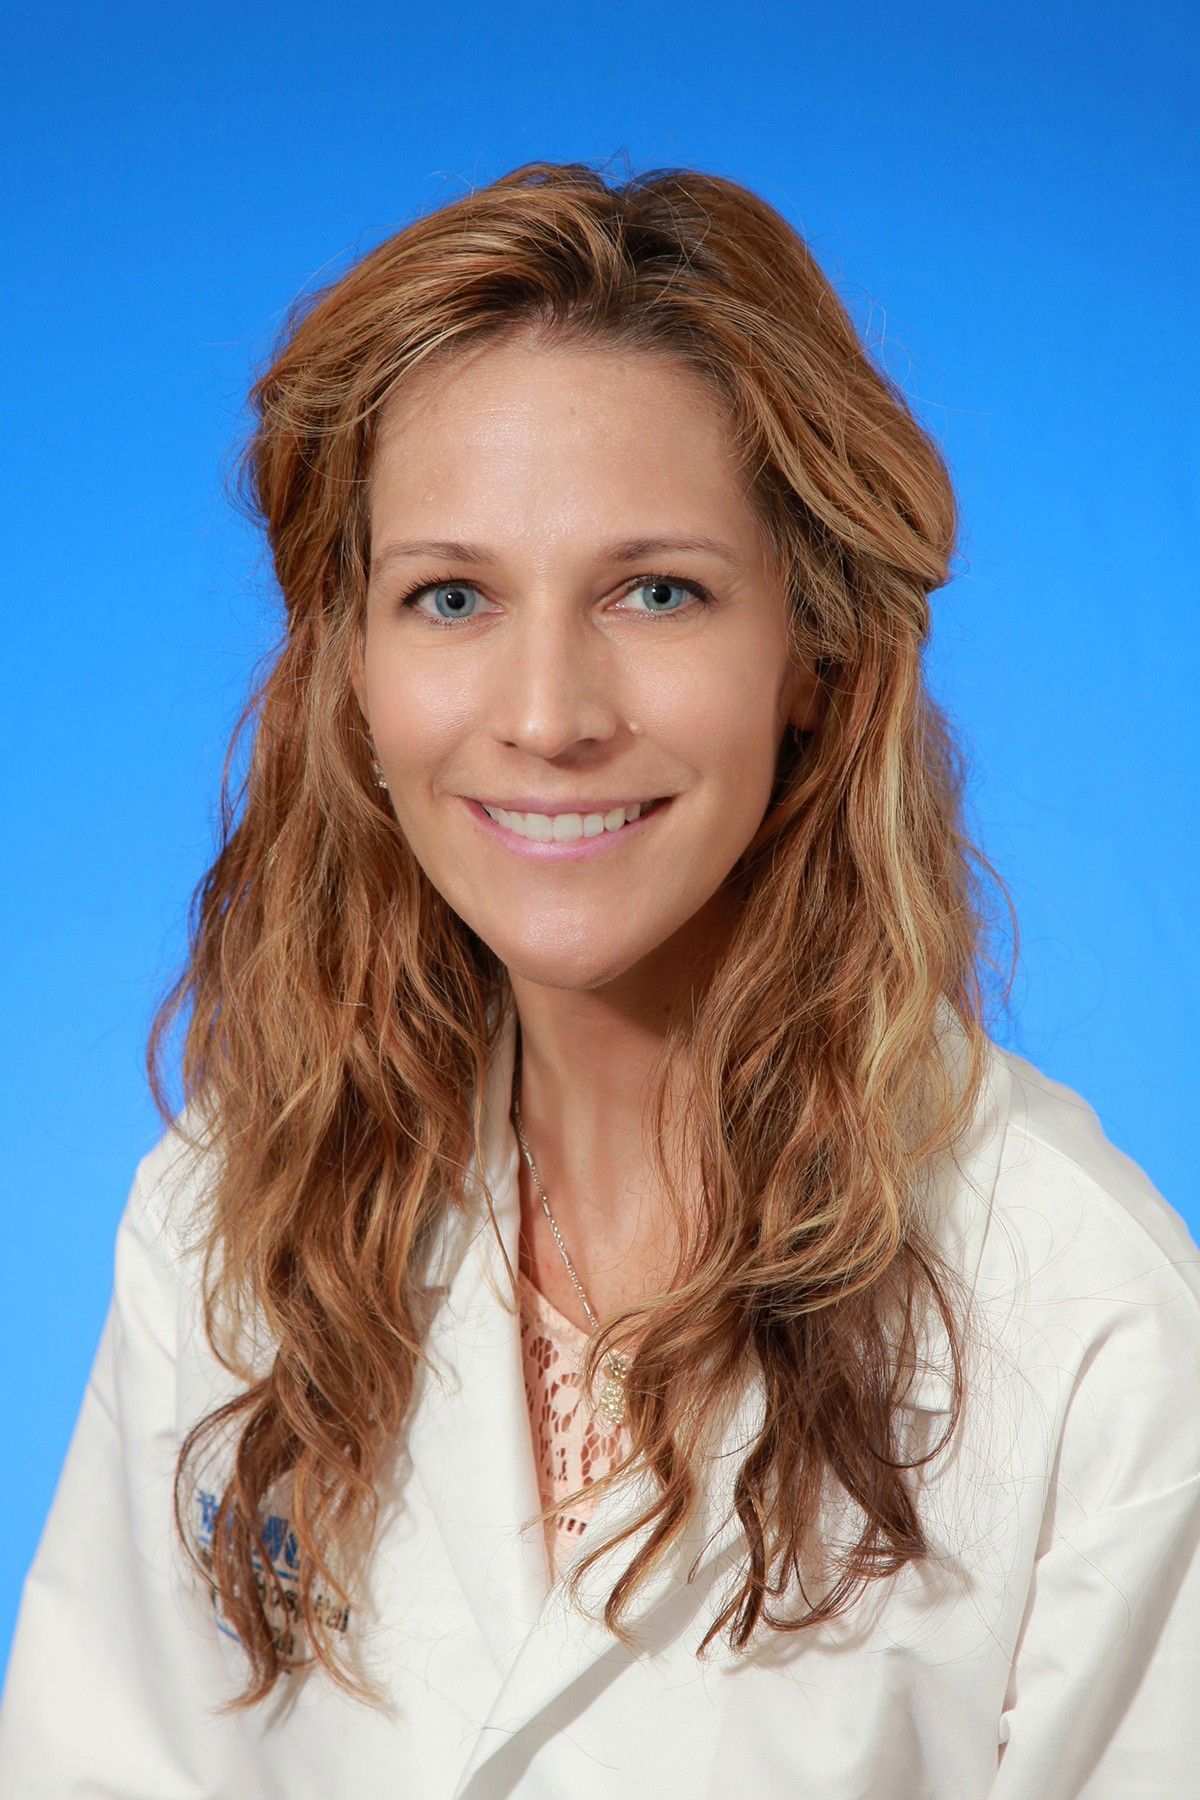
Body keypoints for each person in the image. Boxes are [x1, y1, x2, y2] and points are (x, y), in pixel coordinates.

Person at [1, 159, 1197, 1800]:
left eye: (657, 591)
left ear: (815, 655)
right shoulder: (226, 1214)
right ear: (352, 667)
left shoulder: (1094, 1327)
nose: (549, 711)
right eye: (451, 596)